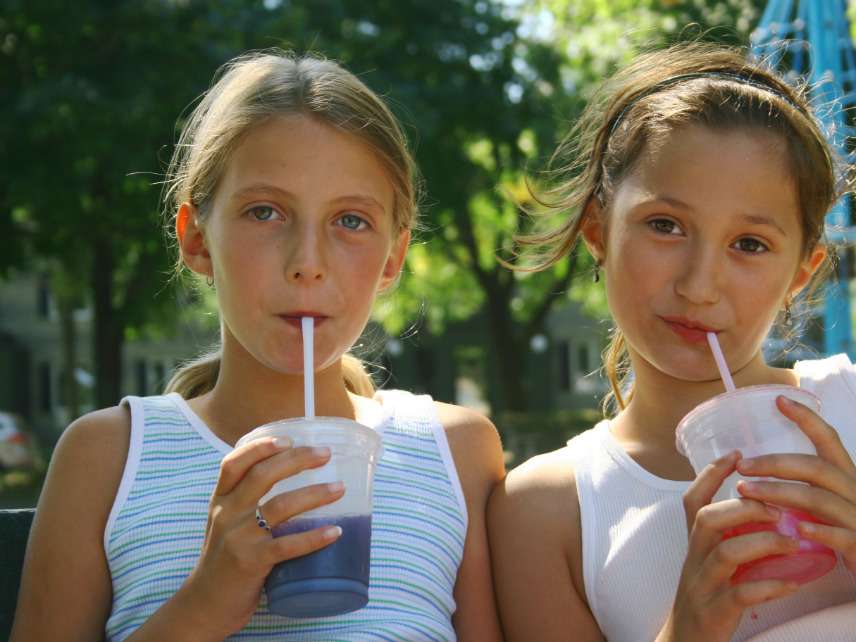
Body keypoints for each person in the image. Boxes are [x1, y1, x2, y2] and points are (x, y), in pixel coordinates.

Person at [10, 50, 505, 642]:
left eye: (350, 221)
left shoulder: (454, 453)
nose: (307, 264)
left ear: (392, 258)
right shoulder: (106, 460)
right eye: (265, 212)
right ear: (196, 240)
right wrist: (205, 602)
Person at [488, 40, 856, 642]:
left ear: (801, 272)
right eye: (665, 226)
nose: (699, 284)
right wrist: (686, 629)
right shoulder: (546, 513)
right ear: (598, 232)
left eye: (750, 244)